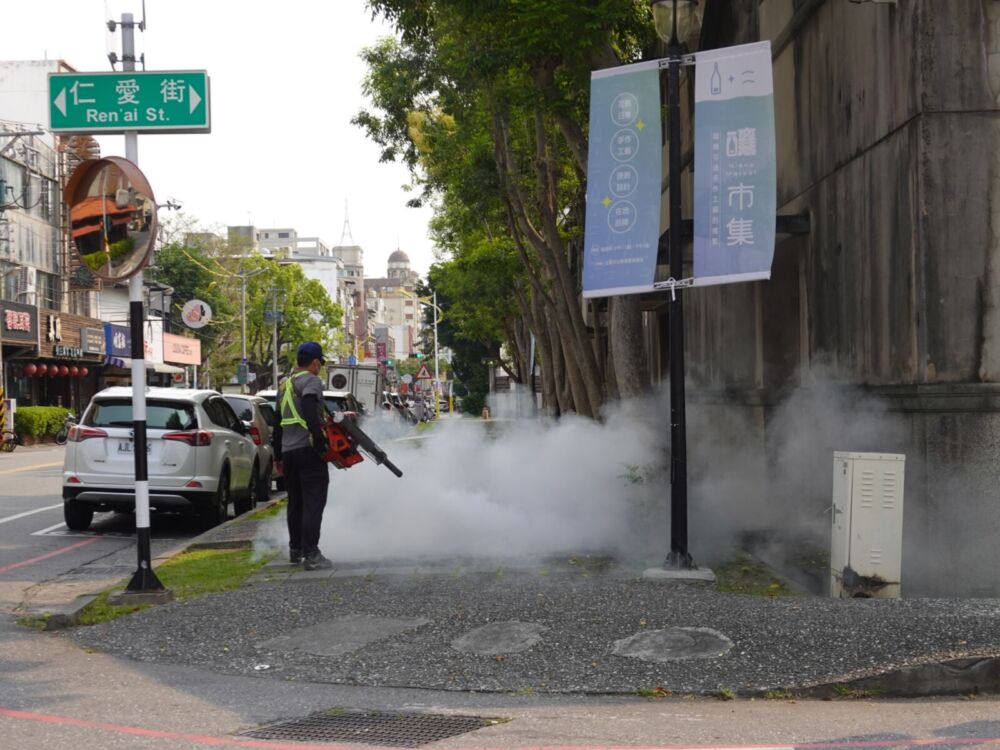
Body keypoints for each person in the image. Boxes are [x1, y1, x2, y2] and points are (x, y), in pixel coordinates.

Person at [271, 341, 333, 571]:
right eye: (320, 364)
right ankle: (312, 554)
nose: (320, 368)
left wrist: (277, 456)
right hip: (308, 451)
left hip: (288, 453)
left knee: (295, 503)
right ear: (315, 362)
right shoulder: (312, 381)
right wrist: (319, 439)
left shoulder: (284, 385)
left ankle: (295, 550)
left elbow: (277, 423)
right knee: (313, 503)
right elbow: (308, 406)